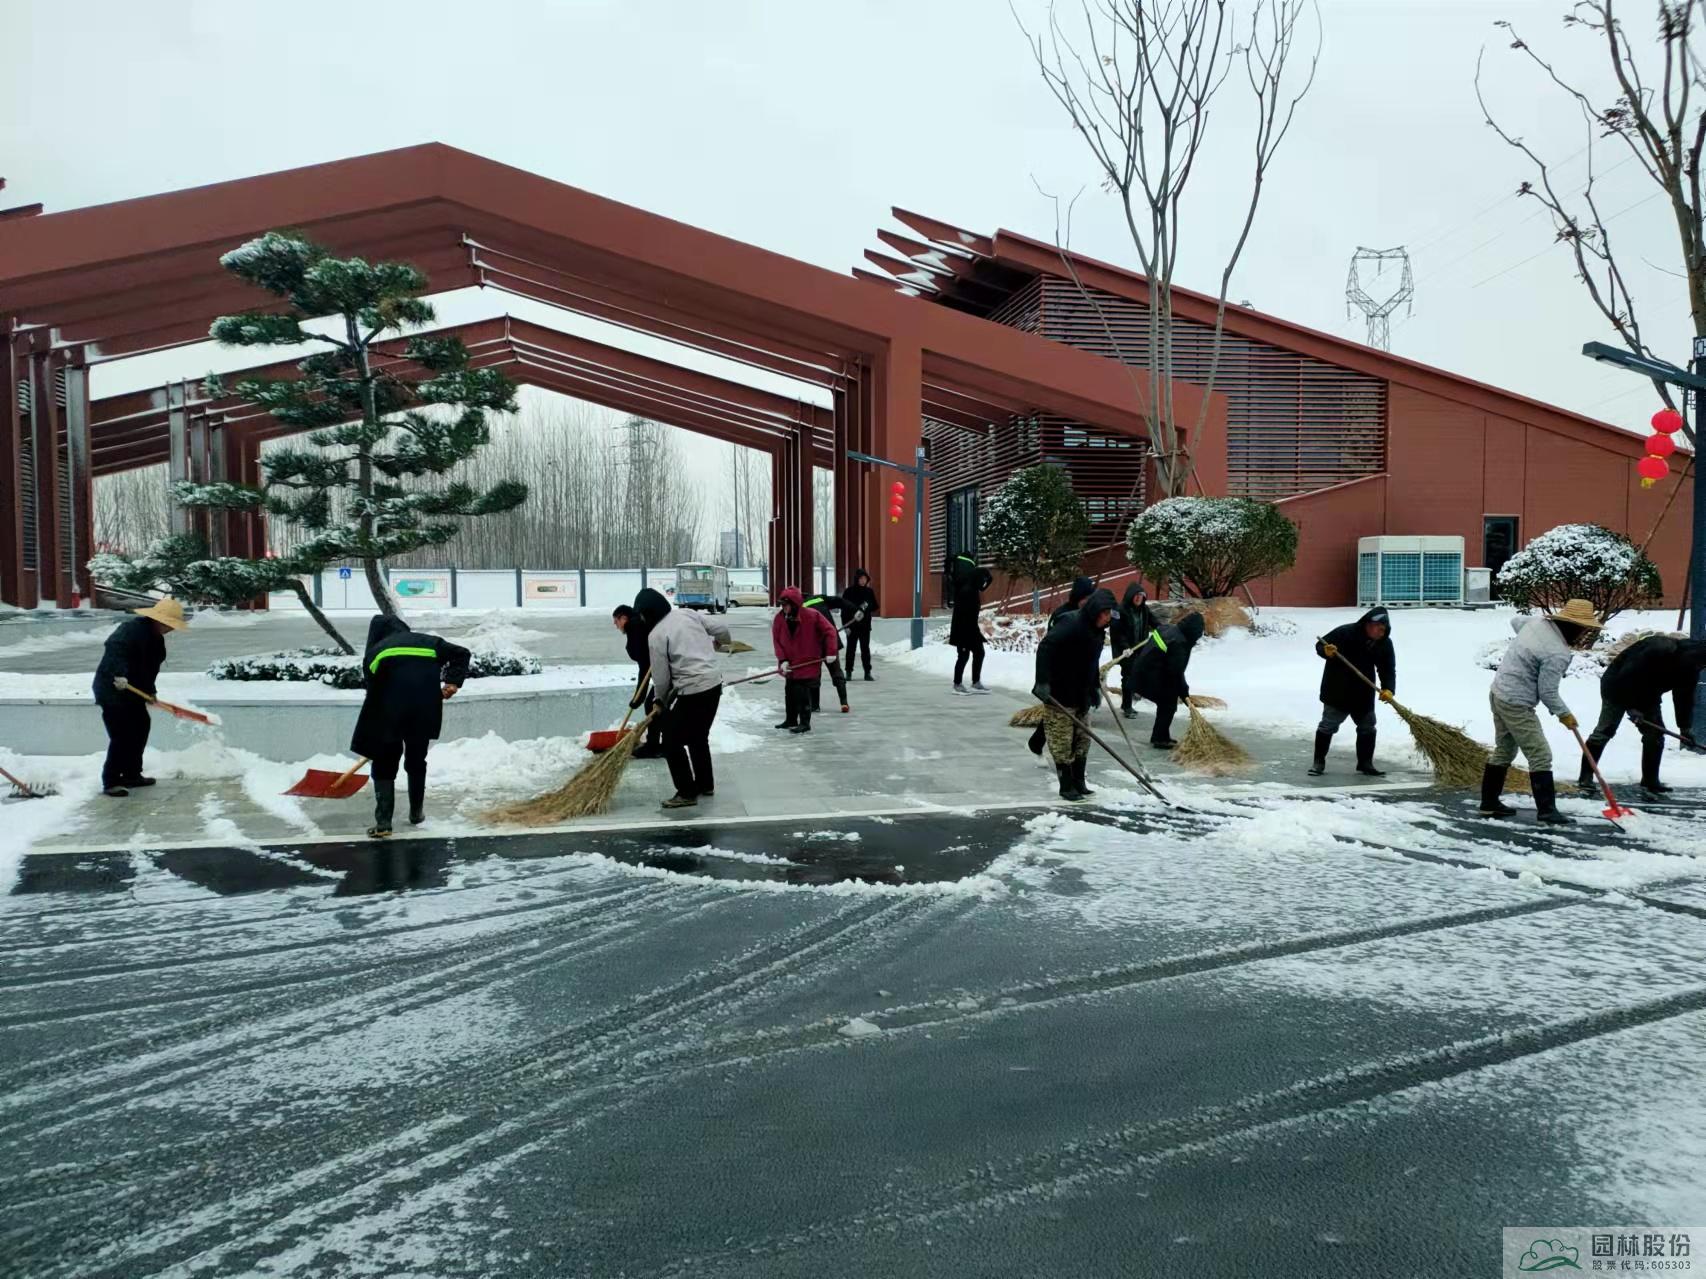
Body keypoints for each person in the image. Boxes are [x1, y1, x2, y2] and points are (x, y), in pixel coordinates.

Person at [1479, 598, 1602, 825]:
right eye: (1584, 630)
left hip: (1498, 692)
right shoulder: (1556, 653)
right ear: (1574, 627)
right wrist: (1564, 714)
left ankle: (1489, 803)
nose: (1585, 634)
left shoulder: (1535, 623)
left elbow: (1516, 621)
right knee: (1540, 755)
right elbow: (1547, 692)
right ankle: (1547, 811)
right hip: (1516, 703)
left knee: (1504, 750)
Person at [350, 614, 471, 838]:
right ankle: (416, 814)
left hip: (389, 714)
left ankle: (383, 823)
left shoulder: (375, 652)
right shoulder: (429, 642)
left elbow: (372, 693)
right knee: (416, 760)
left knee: (384, 763)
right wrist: (452, 682)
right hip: (423, 712)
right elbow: (461, 653)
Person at [635, 586, 730, 809]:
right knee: (698, 737)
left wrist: (660, 700)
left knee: (670, 741)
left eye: (641, 615)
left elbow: (661, 678)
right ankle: (705, 784)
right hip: (713, 684)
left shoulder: (656, 635)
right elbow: (722, 628)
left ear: (648, 613)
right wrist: (721, 643)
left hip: (693, 689)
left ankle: (686, 792)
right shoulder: (687, 613)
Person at [1578, 633, 1706, 795]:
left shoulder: (1691, 669)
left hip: (1648, 695)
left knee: (1655, 734)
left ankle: (1650, 780)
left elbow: (1684, 699)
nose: (1701, 667)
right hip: (1617, 686)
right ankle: (1585, 777)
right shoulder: (1658, 649)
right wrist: (1631, 707)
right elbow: (1627, 675)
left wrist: (1685, 728)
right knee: (1605, 730)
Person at [92, 597, 189, 797]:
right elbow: (115, 649)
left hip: (133, 690)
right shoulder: (131, 630)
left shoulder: (156, 639)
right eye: (169, 624)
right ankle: (111, 781)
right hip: (113, 688)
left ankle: (131, 774)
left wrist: (150, 691)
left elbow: (149, 670)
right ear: (158, 619)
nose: (171, 629)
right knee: (122, 734)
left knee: (141, 726)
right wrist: (118, 673)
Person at [1033, 587, 1118, 800]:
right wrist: (1042, 681)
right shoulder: (1070, 623)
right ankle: (1066, 785)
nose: (1108, 619)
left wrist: (1095, 686)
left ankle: (1079, 781)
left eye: (1110, 615)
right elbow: (1045, 648)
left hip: (1082, 692)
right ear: (1096, 610)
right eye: (1106, 614)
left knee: (1083, 738)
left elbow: (1092, 661)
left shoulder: (1098, 631)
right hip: (1060, 691)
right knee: (1061, 739)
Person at [1311, 607, 1397, 778]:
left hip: (1363, 692)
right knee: (1328, 725)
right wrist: (1326, 651)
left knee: (1368, 727)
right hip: (1337, 689)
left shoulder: (1384, 643)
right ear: (1367, 624)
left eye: (1382, 630)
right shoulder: (1345, 632)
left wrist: (1388, 688)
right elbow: (1321, 644)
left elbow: (1387, 668)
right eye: (1375, 627)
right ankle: (1318, 762)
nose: (1378, 632)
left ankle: (1365, 763)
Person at [1028, 576, 1098, 755]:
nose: (1087, 602)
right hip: (1060, 673)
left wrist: (1094, 685)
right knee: (1060, 713)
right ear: (1077, 597)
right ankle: (1045, 746)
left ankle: (1042, 744)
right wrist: (1043, 680)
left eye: (1090, 598)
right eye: (1084, 598)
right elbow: (1049, 647)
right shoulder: (1062, 615)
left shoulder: (1091, 616)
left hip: (1079, 673)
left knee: (1069, 714)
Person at [1129, 608, 1207, 749]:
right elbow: (1175, 673)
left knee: (1167, 701)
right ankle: (1159, 738)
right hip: (1149, 676)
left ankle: (1161, 735)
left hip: (1143, 671)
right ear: (1193, 632)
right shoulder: (1179, 643)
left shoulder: (1169, 629)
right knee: (1168, 704)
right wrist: (1184, 692)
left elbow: (1172, 670)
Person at [773, 587, 841, 734]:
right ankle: (790, 720)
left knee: (802, 692)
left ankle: (805, 723)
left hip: (807, 662)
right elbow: (777, 641)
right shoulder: (779, 619)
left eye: (786, 605)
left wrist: (831, 652)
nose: (783, 608)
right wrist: (782, 660)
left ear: (795, 604)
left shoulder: (811, 616)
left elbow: (830, 631)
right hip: (789, 664)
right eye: (782, 605)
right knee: (789, 691)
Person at [611, 604, 663, 759]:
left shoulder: (636, 629)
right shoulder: (637, 626)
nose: (615, 625)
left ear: (623, 618)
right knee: (655, 705)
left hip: (667, 670)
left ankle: (654, 746)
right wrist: (638, 698)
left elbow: (645, 665)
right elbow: (645, 663)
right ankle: (660, 744)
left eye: (616, 621)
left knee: (653, 704)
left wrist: (638, 698)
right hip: (662, 669)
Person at [1106, 581, 1155, 721]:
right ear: (1130, 596)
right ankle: (1127, 706)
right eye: (1136, 595)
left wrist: (1164, 630)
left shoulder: (1144, 610)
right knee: (1127, 676)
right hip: (1126, 650)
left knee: (1138, 673)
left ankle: (1134, 694)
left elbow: (1155, 622)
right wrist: (1125, 647)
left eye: (1141, 595)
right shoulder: (1120, 610)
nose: (1139, 598)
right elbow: (1117, 631)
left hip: (1140, 649)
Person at [947, 553, 994, 694]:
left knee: (979, 652)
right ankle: (957, 684)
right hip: (962, 629)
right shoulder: (965, 588)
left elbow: (984, 583)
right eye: (981, 580)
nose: (982, 583)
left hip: (972, 628)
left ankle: (976, 682)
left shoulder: (971, 587)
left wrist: (987, 578)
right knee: (963, 656)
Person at [803, 592, 852, 712]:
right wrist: (855, 609)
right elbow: (840, 601)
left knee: (814, 675)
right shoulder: (820, 598)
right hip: (830, 641)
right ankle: (844, 702)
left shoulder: (800, 608)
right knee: (836, 672)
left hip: (816, 645)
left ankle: (815, 706)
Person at [841, 569, 878, 681]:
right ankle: (848, 672)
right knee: (850, 649)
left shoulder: (869, 592)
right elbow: (844, 610)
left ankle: (867, 672)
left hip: (865, 626)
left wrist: (867, 606)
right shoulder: (849, 592)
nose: (863, 581)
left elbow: (875, 606)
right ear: (856, 579)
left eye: (865, 579)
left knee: (865, 649)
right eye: (861, 579)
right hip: (852, 626)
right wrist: (845, 626)